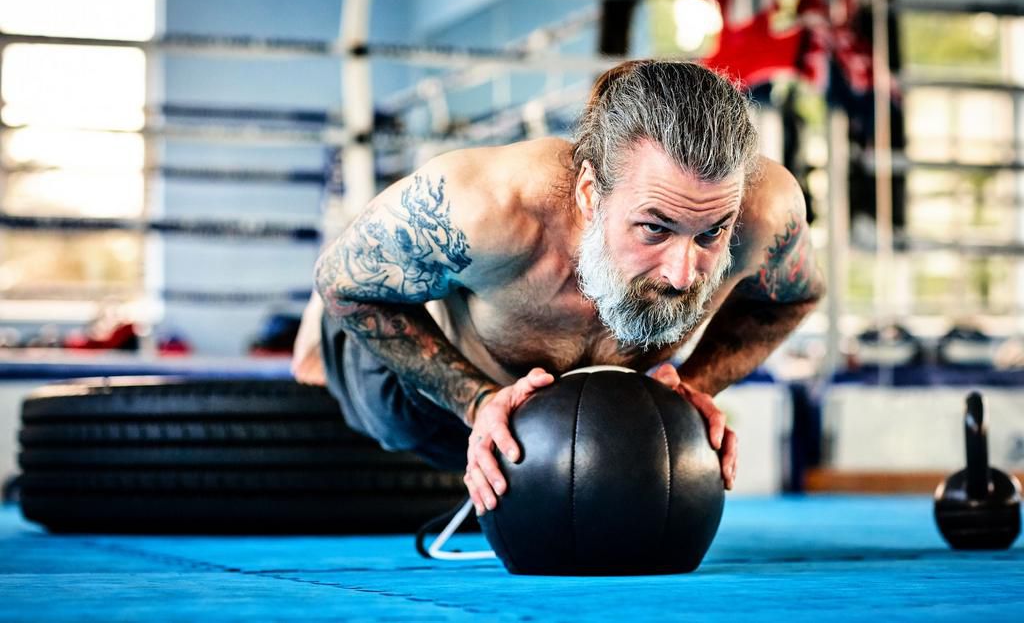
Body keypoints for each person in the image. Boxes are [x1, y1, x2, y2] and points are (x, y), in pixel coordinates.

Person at [294, 60, 825, 517]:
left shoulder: (766, 210)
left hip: (575, 425)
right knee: (375, 398)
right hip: (439, 392)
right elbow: (344, 284)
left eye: (711, 232)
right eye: (656, 229)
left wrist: (696, 386)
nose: (685, 273)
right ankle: (320, 332)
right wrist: (477, 402)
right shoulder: (485, 207)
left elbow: (792, 296)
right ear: (591, 193)